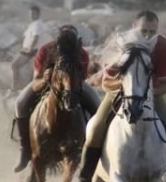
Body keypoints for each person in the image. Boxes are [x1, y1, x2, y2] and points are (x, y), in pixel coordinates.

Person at [68, 10, 166, 182]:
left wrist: (144, 94)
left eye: (152, 31)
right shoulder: (119, 44)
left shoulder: (161, 46)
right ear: (134, 26)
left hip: (150, 95)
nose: (147, 35)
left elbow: (164, 84)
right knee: (95, 129)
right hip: (118, 91)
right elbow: (106, 80)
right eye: (143, 30)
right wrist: (128, 91)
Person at [12, 25, 101, 173]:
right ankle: (25, 149)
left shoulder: (82, 53)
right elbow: (36, 77)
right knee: (20, 103)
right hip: (45, 83)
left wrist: (71, 85)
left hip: (73, 85)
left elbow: (82, 77)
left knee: (98, 106)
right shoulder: (45, 50)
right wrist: (47, 77)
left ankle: (94, 149)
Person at [9, 5, 49, 94]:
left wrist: (30, 47)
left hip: (31, 51)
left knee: (14, 65)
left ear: (38, 14)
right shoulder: (33, 24)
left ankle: (15, 86)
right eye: (30, 14)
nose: (31, 16)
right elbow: (23, 37)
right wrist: (11, 44)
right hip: (27, 49)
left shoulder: (37, 24)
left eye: (33, 14)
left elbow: (36, 37)